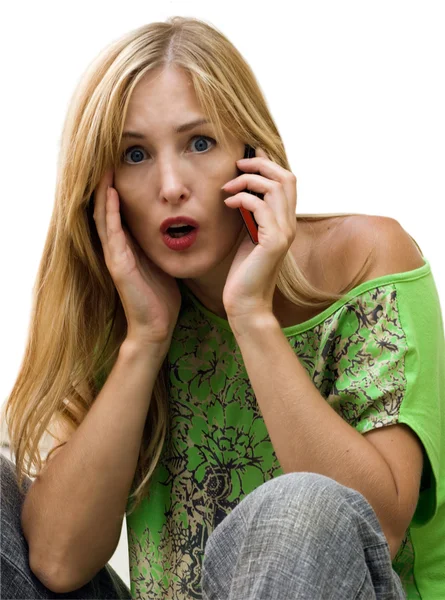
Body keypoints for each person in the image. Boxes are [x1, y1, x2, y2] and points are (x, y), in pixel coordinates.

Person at [2, 15, 444, 600]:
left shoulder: (366, 263)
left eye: (200, 143)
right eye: (134, 154)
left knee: (299, 506)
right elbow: (56, 563)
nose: (170, 185)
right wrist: (145, 340)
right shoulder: (112, 304)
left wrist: (252, 317)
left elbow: (376, 526)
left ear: (253, 153)